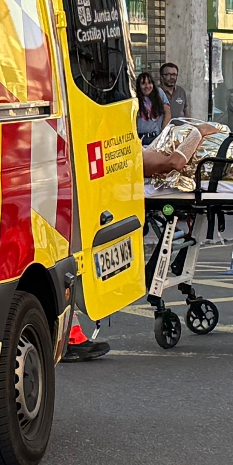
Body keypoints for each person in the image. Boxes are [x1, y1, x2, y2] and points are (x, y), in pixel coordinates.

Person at [65, 142, 193, 363]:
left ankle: (69, 337)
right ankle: (69, 338)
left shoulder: (123, 146)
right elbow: (176, 162)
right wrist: (198, 133)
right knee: (66, 273)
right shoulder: (133, 151)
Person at [135, 71, 166, 144]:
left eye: (149, 83)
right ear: (139, 86)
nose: (147, 86)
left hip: (156, 137)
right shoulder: (135, 99)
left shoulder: (159, 93)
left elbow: (168, 112)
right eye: (143, 83)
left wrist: (163, 133)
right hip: (141, 139)